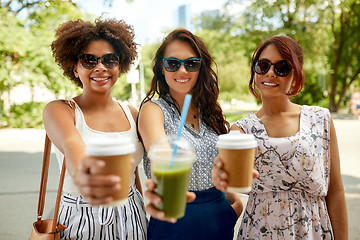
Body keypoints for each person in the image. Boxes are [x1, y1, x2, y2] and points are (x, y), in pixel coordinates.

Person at [212, 35, 348, 239]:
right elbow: (231, 190)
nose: (270, 73)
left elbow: (335, 191)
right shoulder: (241, 131)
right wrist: (220, 180)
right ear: (254, 71)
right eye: (263, 65)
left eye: (282, 67)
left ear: (296, 73)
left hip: (312, 232)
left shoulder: (320, 120)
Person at [43, 18, 147, 239]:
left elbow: (134, 172)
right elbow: (73, 147)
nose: (101, 67)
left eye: (110, 60)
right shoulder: (61, 110)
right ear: (75, 67)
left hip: (131, 212)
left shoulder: (133, 113)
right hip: (80, 217)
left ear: (120, 65)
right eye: (89, 60)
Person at [137, 29, 242, 240]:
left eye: (191, 63)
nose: (182, 70)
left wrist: (234, 206)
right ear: (162, 68)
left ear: (200, 68)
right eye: (173, 63)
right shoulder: (153, 110)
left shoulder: (212, 113)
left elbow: (220, 171)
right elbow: (161, 155)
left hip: (219, 220)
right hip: (174, 219)